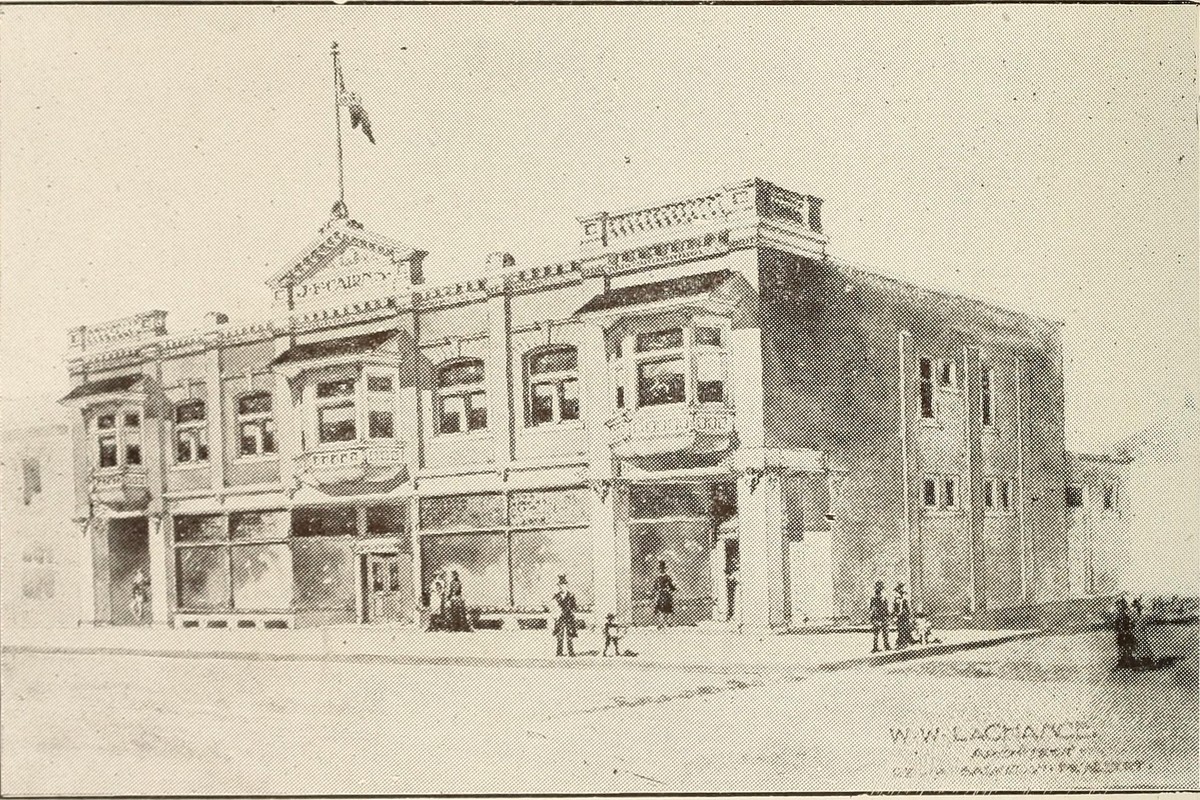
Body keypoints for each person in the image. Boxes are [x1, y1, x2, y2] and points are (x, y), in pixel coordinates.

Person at [552, 575, 578, 657]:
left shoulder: (571, 596)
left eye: (563, 585)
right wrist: (555, 614)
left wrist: (571, 611)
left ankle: (571, 652)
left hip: (569, 617)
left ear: (566, 586)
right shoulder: (556, 596)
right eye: (560, 586)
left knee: (569, 634)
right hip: (560, 617)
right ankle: (559, 652)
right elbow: (553, 606)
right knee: (559, 634)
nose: (561, 587)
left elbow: (574, 606)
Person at [651, 560, 677, 630]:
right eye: (660, 568)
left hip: (665, 594)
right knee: (661, 608)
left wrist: (674, 589)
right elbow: (655, 587)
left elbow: (671, 586)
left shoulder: (667, 577)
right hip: (661, 594)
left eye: (662, 568)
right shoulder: (658, 578)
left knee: (667, 608)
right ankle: (661, 623)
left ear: (664, 568)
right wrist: (653, 593)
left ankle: (668, 622)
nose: (661, 570)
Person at [1114, 594, 1135, 667]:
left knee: (1126, 647)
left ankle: (1126, 660)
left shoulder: (1126, 615)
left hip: (1126, 634)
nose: (1119, 608)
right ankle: (1123, 661)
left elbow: (1131, 624)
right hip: (1122, 634)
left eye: (1121, 606)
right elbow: (1117, 625)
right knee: (1122, 647)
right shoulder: (1120, 616)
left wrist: (1127, 630)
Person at [869, 581, 890, 653]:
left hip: (879, 617)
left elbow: (872, 608)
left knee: (879, 632)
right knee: (881, 632)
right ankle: (883, 646)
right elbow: (872, 608)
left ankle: (880, 646)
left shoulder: (875, 598)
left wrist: (872, 617)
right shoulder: (882, 598)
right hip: (880, 617)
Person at [893, 584, 915, 649]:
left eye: (901, 590)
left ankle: (905, 642)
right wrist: (895, 615)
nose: (900, 592)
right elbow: (895, 608)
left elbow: (907, 608)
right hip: (899, 616)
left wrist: (909, 615)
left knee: (905, 628)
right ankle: (900, 642)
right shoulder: (896, 599)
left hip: (905, 616)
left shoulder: (905, 599)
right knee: (900, 629)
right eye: (899, 590)